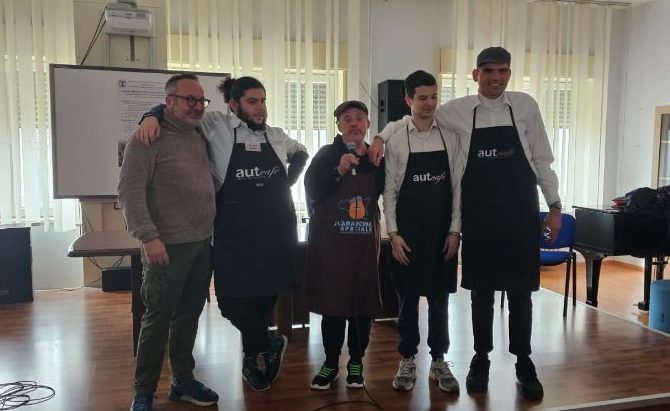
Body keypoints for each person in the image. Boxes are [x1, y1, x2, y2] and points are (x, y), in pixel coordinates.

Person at [371, 48, 562, 401]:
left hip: (520, 215)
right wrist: (382, 136)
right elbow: (411, 119)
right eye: (489, 71)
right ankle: (480, 359)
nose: (496, 77)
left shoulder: (525, 106)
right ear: (476, 75)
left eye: (503, 71)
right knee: (481, 295)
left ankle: (524, 362)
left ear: (509, 73)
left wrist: (554, 206)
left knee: (521, 294)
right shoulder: (457, 111)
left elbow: (542, 160)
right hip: (480, 218)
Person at [136, 76, 309, 392]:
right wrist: (150, 115)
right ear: (233, 105)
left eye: (263, 101)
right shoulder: (215, 126)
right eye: (252, 102)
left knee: (261, 305)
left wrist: (288, 181)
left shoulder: (276, 135)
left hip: (275, 236)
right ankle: (268, 344)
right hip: (233, 238)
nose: (260, 108)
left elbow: (301, 152)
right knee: (231, 304)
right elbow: (177, 108)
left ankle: (252, 362)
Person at [119, 73, 219, 411]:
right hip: (165, 247)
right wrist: (148, 237)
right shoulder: (147, 139)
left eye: (201, 100)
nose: (197, 106)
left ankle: (182, 381)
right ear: (169, 102)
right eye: (189, 99)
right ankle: (143, 392)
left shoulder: (199, 135)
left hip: (201, 244)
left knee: (188, 317)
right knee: (157, 320)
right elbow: (129, 193)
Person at [380, 71, 460, 393]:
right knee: (407, 301)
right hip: (407, 236)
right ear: (408, 100)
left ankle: (439, 360)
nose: (429, 104)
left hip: (442, 234)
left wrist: (455, 231)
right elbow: (389, 192)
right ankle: (407, 358)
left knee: (440, 302)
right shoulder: (398, 138)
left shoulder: (450, 135)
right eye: (422, 98)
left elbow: (457, 189)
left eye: (434, 97)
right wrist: (394, 234)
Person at [303, 101, 384, 390]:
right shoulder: (327, 154)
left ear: (368, 124)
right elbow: (312, 190)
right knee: (334, 304)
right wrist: (337, 170)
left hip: (364, 245)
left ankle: (356, 361)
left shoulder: (376, 158)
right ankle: (330, 362)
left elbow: (388, 190)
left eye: (359, 118)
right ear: (338, 126)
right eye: (347, 119)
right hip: (333, 246)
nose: (353, 123)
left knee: (362, 305)